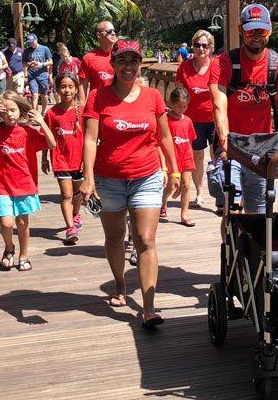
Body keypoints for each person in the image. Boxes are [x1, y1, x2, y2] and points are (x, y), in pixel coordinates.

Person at [79, 39, 180, 329]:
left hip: (146, 175)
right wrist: (87, 178)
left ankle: (149, 307)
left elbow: (164, 137)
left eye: (133, 61)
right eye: (122, 60)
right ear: (112, 64)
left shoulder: (153, 97)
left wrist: (173, 172)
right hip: (109, 179)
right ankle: (121, 284)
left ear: (140, 64)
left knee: (145, 239)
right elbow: (89, 138)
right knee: (115, 238)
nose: (128, 66)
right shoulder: (98, 97)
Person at [209, 3, 278, 214]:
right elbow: (218, 104)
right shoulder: (224, 63)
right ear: (241, 31)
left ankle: (252, 246)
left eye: (262, 31)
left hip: (262, 146)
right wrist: (224, 143)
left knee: (259, 211)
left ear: (270, 30)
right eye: (251, 31)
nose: (256, 36)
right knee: (231, 210)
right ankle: (232, 244)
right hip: (232, 143)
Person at [0, 91, 57, 271]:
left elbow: (52, 144)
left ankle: (23, 255)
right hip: (0, 184)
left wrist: (42, 123)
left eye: (13, 110)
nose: (9, 114)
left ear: (20, 110)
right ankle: (9, 247)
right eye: (5, 110)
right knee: (6, 223)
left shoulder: (27, 132)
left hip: (24, 184)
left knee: (22, 222)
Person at [42, 74, 85, 244]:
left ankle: (75, 214)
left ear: (75, 89)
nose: (67, 90)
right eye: (63, 87)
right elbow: (46, 136)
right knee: (66, 194)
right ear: (57, 89)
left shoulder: (81, 110)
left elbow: (91, 135)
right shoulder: (52, 113)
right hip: (60, 159)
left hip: (80, 160)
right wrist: (44, 158)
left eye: (70, 87)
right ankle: (70, 228)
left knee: (78, 194)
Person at [175, 30, 215, 209]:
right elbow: (178, 93)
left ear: (210, 48)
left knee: (219, 156)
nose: (201, 48)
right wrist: (176, 116)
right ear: (193, 46)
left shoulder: (217, 66)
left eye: (204, 45)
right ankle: (199, 193)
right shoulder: (184, 67)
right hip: (193, 120)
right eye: (197, 45)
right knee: (197, 156)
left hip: (214, 118)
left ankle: (220, 194)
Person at [159, 86, 196, 227]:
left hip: (186, 155)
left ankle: (184, 214)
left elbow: (190, 140)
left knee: (186, 184)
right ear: (171, 103)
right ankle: (163, 200)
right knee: (171, 186)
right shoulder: (166, 120)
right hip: (171, 157)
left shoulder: (188, 120)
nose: (181, 109)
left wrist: (190, 156)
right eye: (178, 106)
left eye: (185, 106)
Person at [80, 20, 118, 99]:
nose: (113, 33)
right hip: (97, 106)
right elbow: (82, 87)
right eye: (109, 31)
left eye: (114, 31)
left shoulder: (122, 55)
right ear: (99, 35)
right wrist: (82, 106)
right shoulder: (88, 58)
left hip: (118, 105)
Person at [22, 33, 53, 115]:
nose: (31, 44)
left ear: (36, 40)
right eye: (29, 42)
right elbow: (24, 64)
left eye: (32, 42)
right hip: (32, 75)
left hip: (43, 75)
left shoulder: (44, 49)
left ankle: (43, 112)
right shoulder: (27, 51)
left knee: (44, 95)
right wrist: (30, 64)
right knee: (34, 95)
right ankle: (35, 114)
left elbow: (51, 62)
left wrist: (41, 64)